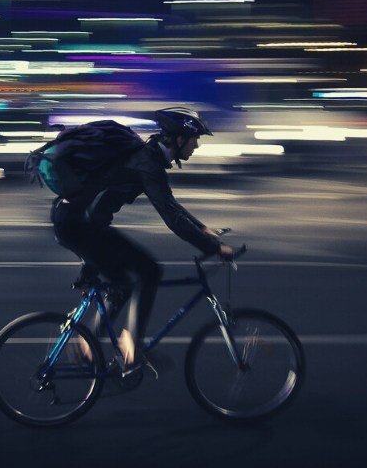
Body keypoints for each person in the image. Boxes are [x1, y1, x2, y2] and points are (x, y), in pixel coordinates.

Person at [50, 107, 234, 370]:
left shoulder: (146, 158)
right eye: (195, 140)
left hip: (78, 222)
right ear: (180, 139)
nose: (197, 146)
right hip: (78, 226)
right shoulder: (147, 163)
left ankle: (90, 344)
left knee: (123, 281)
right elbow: (172, 219)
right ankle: (129, 347)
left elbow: (170, 205)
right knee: (149, 271)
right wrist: (214, 247)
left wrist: (202, 229)